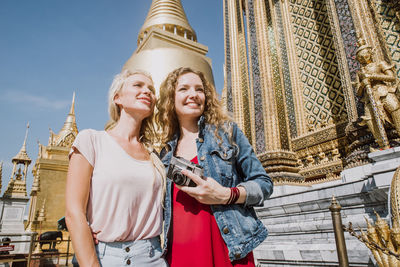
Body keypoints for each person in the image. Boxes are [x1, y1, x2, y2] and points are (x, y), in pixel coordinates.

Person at [156, 67, 273, 267]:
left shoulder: (227, 133)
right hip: (180, 252)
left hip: (227, 248)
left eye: (199, 89)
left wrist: (228, 194)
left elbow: (264, 184)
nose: (193, 94)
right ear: (171, 98)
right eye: (184, 89)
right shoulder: (164, 152)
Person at [65, 69, 167, 267]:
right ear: (117, 98)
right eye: (138, 85)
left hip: (151, 256)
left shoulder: (156, 157)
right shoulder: (91, 141)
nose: (147, 91)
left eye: (151, 89)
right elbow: (74, 212)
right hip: (103, 257)